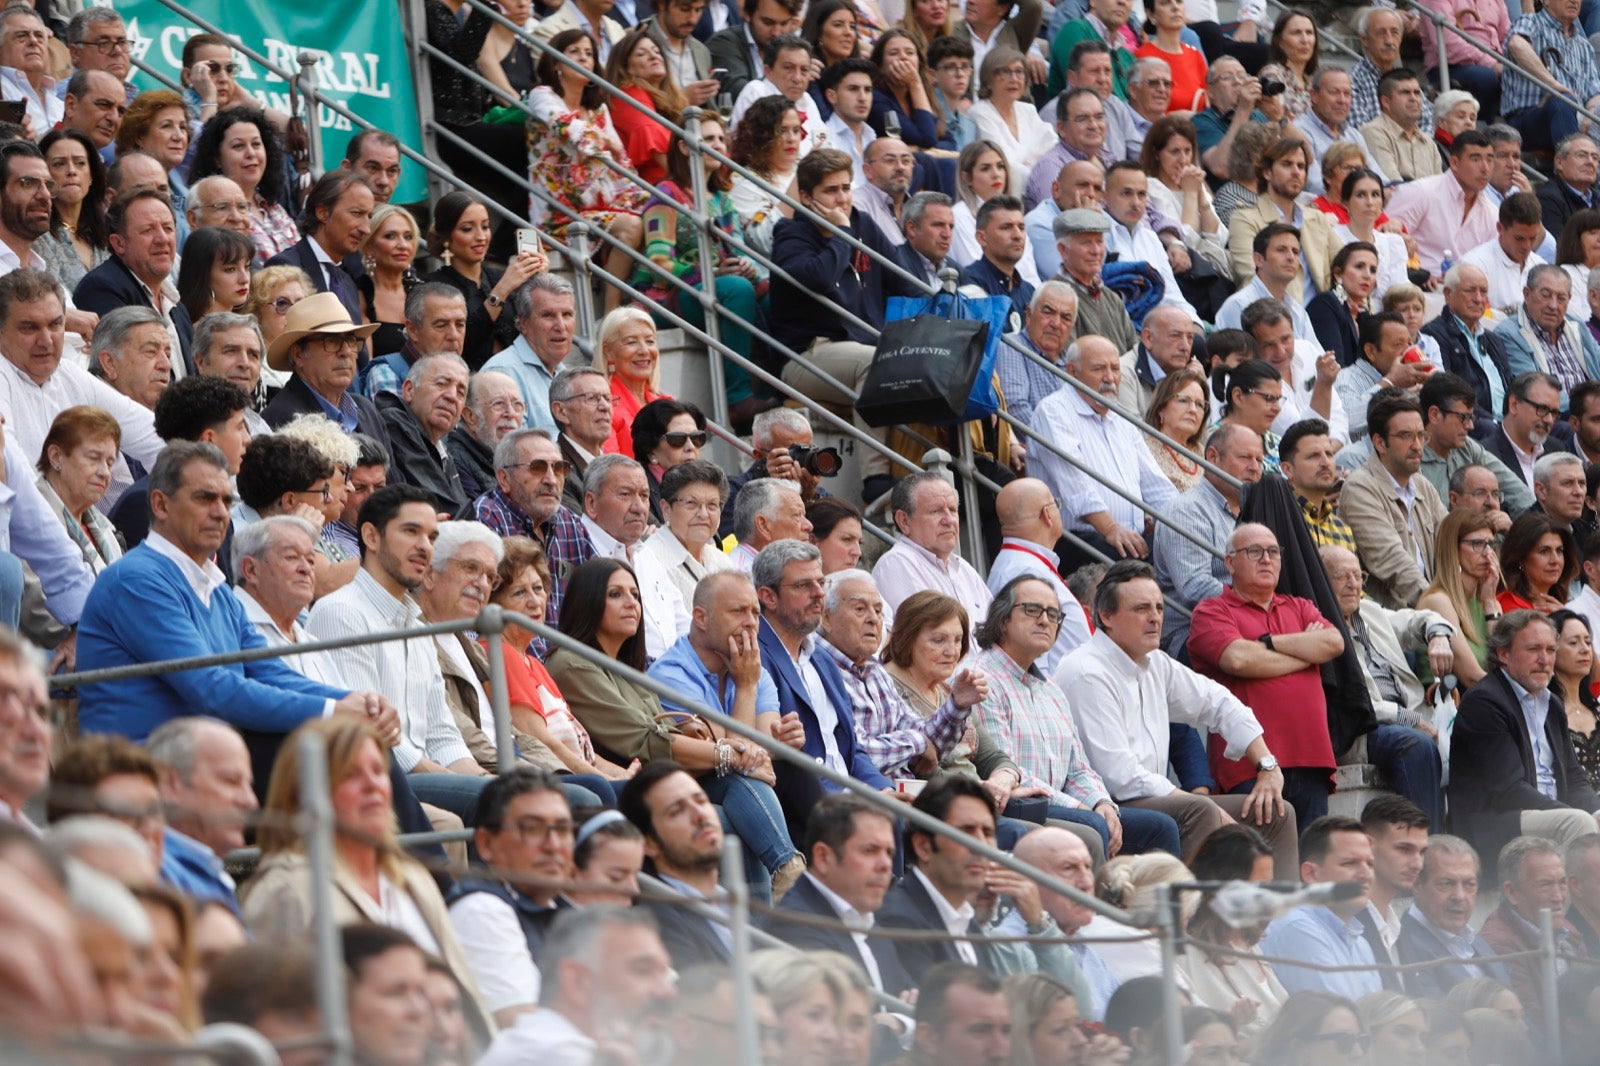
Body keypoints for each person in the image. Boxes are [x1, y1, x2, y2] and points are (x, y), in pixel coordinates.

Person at [75, 443, 387, 744]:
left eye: (226, 501)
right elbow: (209, 687)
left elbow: (270, 672)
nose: (221, 513)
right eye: (205, 498)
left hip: (211, 760)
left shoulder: (219, 592)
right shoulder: (136, 580)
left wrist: (357, 702)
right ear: (160, 504)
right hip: (144, 771)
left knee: (351, 747)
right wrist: (333, 711)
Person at [551, 559, 803, 888]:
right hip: (629, 784)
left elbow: (745, 745)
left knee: (754, 790)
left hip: (675, 775)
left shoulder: (631, 671)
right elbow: (646, 738)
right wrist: (734, 751)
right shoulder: (574, 665)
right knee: (737, 807)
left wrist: (734, 748)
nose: (631, 603)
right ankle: (787, 876)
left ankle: (783, 881)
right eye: (615, 594)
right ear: (588, 601)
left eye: (635, 595)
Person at [241, 717, 493, 1036]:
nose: (373, 784)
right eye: (350, 775)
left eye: (378, 770)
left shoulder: (413, 877)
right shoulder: (287, 890)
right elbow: (282, 1027)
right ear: (303, 794)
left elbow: (466, 996)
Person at [1062, 558, 1302, 875]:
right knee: (1199, 810)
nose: (1155, 619)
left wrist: (1267, 766)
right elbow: (1119, 774)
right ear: (1106, 616)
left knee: (1276, 812)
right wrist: (1202, 805)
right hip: (1109, 803)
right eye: (1141, 609)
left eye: (1160, 608)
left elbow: (1218, 702)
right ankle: (1195, 920)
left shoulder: (1155, 662)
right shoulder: (1086, 671)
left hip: (1156, 798)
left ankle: (1279, 920)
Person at [304, 484, 498, 825]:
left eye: (432, 537)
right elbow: (370, 736)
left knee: (566, 794)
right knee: (511, 804)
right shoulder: (341, 613)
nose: (425, 547)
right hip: (378, 775)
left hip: (427, 774)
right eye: (411, 532)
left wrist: (480, 778)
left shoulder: (418, 626)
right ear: (371, 537)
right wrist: (469, 785)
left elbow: (442, 734)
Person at [970, 574, 1180, 858]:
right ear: (1003, 619)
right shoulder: (982, 679)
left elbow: (1079, 768)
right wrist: (1080, 807)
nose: (1045, 620)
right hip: (1018, 807)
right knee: (1092, 825)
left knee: (1160, 827)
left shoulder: (1051, 689)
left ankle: (1151, 902)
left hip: (1065, 806)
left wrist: (1102, 803)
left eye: (1053, 614)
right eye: (1032, 610)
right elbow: (1008, 772)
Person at [770, 148, 922, 494]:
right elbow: (819, 278)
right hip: (806, 356)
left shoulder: (862, 223)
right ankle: (876, 480)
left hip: (862, 346)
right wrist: (840, 233)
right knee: (876, 362)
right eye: (831, 191)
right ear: (807, 197)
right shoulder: (791, 234)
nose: (842, 199)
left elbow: (906, 282)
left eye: (845, 188)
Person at [1188, 524, 1344, 827]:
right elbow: (1239, 660)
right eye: (1254, 551)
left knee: (1309, 865)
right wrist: (1306, 654)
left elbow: (1334, 643)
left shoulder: (1300, 605)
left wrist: (1269, 642)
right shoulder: (1211, 611)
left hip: (1312, 759)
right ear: (1230, 562)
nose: (1266, 559)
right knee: (1263, 867)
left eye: (1273, 552)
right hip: (1249, 766)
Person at [1449, 611, 1600, 864]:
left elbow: (1574, 778)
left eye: (1551, 650)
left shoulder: (1551, 703)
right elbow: (1509, 791)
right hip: (1496, 824)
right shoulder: (1485, 702)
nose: (1544, 660)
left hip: (1550, 813)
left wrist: (1596, 810)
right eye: (1533, 649)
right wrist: (1575, 813)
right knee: (1580, 824)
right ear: (1503, 654)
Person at [1028, 336, 1178, 565]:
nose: (1110, 378)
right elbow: (1076, 485)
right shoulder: (1053, 411)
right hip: (1076, 540)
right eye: (1099, 369)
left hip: (1127, 537)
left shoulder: (1120, 418)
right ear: (1072, 371)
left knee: (1179, 549)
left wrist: (1182, 524)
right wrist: (1111, 528)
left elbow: (1156, 485)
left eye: (1115, 369)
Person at [446, 768, 575, 1028]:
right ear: (485, 843)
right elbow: (523, 1035)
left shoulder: (562, 907)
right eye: (532, 828)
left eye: (562, 829)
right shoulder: (481, 911)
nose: (553, 845)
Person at [477, 902, 676, 1066]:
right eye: (642, 971)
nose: (667, 992)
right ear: (578, 982)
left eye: (663, 974)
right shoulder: (555, 1053)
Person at [1152, 422, 1263, 655]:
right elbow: (1194, 587)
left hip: (1243, 626)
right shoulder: (1187, 510)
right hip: (1190, 634)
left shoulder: (1254, 513)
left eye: (1260, 460)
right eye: (1245, 457)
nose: (1255, 468)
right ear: (1212, 457)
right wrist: (1258, 603)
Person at [1337, 392, 1448, 609]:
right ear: (1379, 442)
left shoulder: (1421, 484)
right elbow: (1392, 562)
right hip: (1393, 618)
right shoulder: (1360, 487)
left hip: (1431, 608)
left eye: (1421, 435)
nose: (1417, 446)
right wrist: (1437, 606)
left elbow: (1451, 542)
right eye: (1406, 436)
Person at [1255, 816, 1382, 1000]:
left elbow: (1377, 1017)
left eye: (1370, 864)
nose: (1366, 874)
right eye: (1350, 863)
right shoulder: (1297, 927)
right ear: (1311, 873)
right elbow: (1338, 1022)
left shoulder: (1360, 942)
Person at [1478, 836, 1592, 1032]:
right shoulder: (1499, 945)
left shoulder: (1566, 930)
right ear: (1512, 892)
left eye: (1562, 882)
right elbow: (1532, 1024)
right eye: (1545, 884)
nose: (1558, 896)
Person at [424, 192, 547, 368]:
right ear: (447, 237)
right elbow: (458, 343)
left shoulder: (501, 277)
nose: (481, 236)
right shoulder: (434, 287)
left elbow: (537, 334)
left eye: (485, 226)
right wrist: (502, 290)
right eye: (467, 229)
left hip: (516, 381)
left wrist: (540, 281)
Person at [145, 717, 257, 911]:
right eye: (231, 781)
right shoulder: (152, 875)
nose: (250, 801)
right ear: (171, 782)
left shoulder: (202, 870)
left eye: (249, 785)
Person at [260, 292, 388, 446]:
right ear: (298, 354)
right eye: (332, 341)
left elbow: (391, 471)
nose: (346, 352)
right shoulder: (280, 419)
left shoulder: (367, 409)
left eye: (351, 340)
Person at [1396, 835, 1511, 1000]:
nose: (1459, 896)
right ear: (1417, 886)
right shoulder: (1404, 946)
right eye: (1446, 883)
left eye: (1469, 884)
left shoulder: (1475, 941)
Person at [185, 108, 296, 266]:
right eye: (238, 146)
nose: (251, 153)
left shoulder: (276, 209)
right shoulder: (216, 214)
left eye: (256, 144)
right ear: (217, 158)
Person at [1385, 131, 1498, 281]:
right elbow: (1386, 243)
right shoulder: (1421, 192)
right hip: (1414, 286)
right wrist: (1417, 273)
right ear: (1454, 163)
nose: (1485, 168)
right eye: (1475, 159)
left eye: (1490, 160)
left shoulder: (1492, 212)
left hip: (1465, 293)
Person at [1226, 138, 1334, 293]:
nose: (1296, 172)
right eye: (1287, 164)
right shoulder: (1245, 219)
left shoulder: (1316, 217)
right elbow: (1251, 277)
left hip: (1321, 311)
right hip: (1275, 311)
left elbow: (1346, 261)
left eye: (1301, 166)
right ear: (1267, 173)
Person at [377, 352, 470, 514]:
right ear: (409, 390)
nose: (452, 396)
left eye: (461, 392)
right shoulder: (394, 424)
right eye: (441, 384)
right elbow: (447, 509)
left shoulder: (443, 449)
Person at [35, 406, 122, 574]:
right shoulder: (30, 520)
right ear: (55, 457)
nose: (104, 472)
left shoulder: (104, 526)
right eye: (94, 458)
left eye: (110, 463)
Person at [641, 460, 735, 604]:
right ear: (666, 509)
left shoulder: (722, 561)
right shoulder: (648, 561)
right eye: (691, 503)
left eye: (712, 505)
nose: (704, 514)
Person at [35, 128, 108, 288]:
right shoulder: (37, 235)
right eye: (59, 164)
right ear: (44, 176)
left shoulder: (105, 235)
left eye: (80, 163)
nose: (71, 171)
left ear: (91, 176)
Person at [1462, 193, 1548, 315]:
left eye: (1532, 238)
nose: (1527, 246)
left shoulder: (1541, 266)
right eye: (1519, 238)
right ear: (1500, 228)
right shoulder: (1474, 265)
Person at [447, 371, 525, 502]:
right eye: (498, 404)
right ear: (470, 416)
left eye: (517, 405)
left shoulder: (519, 460)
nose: (511, 414)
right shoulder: (453, 462)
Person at [1281, 417, 1355, 550]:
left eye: (1329, 454)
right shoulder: (1281, 519)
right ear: (1288, 469)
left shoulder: (1343, 529)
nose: (1326, 462)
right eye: (1313, 456)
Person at [1310, 243, 1382, 373]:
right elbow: (1335, 368)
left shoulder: (1364, 315)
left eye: (1373, 270)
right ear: (1338, 274)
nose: (1367, 275)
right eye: (1359, 266)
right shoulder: (1325, 304)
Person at [1361, 70, 1440, 185]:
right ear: (1386, 102)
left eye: (1417, 93)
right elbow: (1393, 188)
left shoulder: (1428, 142)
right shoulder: (1372, 132)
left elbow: (1440, 190)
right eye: (1405, 92)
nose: (1414, 98)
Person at [1141, 368, 1210, 494]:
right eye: (1184, 400)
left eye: (1199, 404)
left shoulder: (1206, 454)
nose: (1193, 409)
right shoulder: (1146, 451)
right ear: (1161, 408)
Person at [1498, 511, 1578, 613]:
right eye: (1544, 551)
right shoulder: (1509, 606)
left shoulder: (1559, 607)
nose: (1555, 560)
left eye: (1559, 551)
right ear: (1520, 559)